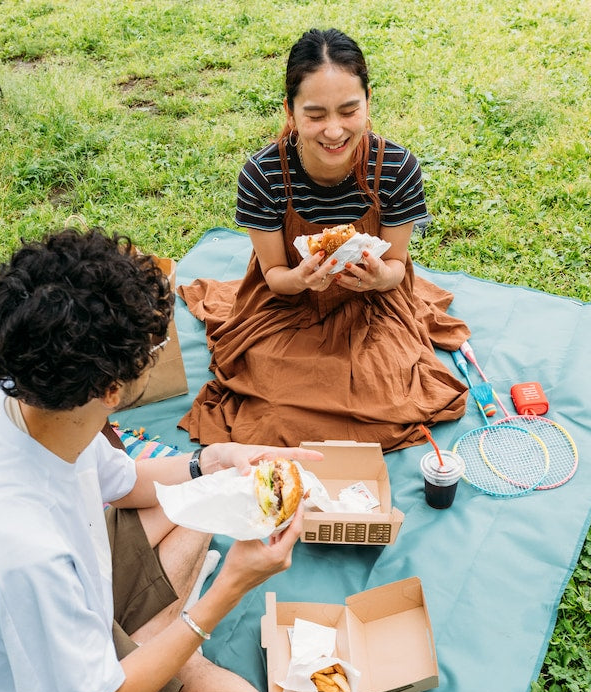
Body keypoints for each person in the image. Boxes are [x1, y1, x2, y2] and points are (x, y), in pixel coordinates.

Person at [0, 228, 349, 692]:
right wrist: (226, 591)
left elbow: (123, 482)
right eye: (153, 350)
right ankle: (167, 662)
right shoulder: (22, 552)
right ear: (110, 389)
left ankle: (160, 655)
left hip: (63, 621)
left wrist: (216, 461)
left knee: (199, 507)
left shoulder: (13, 400)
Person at [178, 28, 471, 452]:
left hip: (371, 304)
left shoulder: (397, 167)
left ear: (369, 101)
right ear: (290, 111)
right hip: (286, 306)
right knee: (273, 405)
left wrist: (378, 279)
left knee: (390, 394)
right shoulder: (263, 175)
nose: (333, 131)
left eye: (349, 110)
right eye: (315, 115)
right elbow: (274, 275)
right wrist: (300, 280)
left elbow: (396, 269)